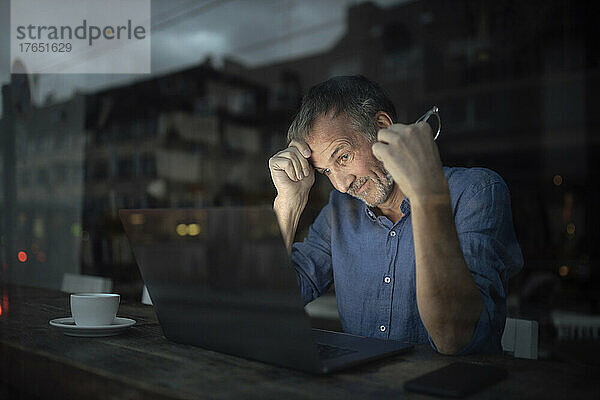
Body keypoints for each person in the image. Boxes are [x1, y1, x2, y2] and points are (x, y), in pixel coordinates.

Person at [268, 76, 523, 355]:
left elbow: (453, 337)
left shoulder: (475, 193)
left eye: (342, 157)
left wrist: (427, 195)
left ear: (382, 127)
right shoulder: (339, 210)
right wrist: (287, 205)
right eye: (326, 171)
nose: (341, 184)